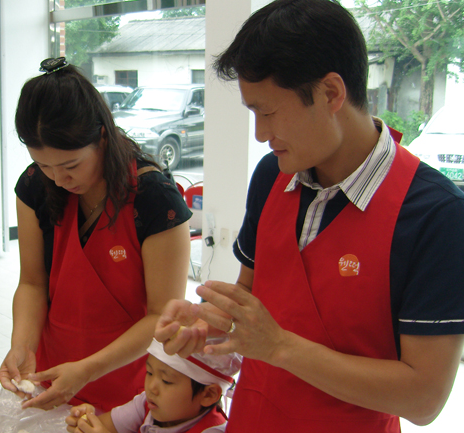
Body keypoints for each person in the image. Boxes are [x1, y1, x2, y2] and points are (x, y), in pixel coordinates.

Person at [154, 1, 464, 432]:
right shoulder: (273, 176)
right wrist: (202, 320)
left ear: (331, 93)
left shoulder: (434, 213)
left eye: (268, 112)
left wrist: (280, 347)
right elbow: (249, 303)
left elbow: (424, 398)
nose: (261, 135)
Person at [0, 57, 192, 412]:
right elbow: (32, 283)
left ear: (102, 137)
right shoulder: (34, 186)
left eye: (71, 166)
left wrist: (87, 370)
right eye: (44, 165)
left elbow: (163, 315)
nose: (58, 180)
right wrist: (21, 345)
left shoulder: (154, 198)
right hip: (55, 375)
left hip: (129, 383)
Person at [66, 338, 240, 433]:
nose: (151, 387)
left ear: (208, 395)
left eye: (166, 381)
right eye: (149, 373)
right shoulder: (146, 405)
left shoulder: (212, 431)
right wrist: (86, 422)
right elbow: (107, 425)